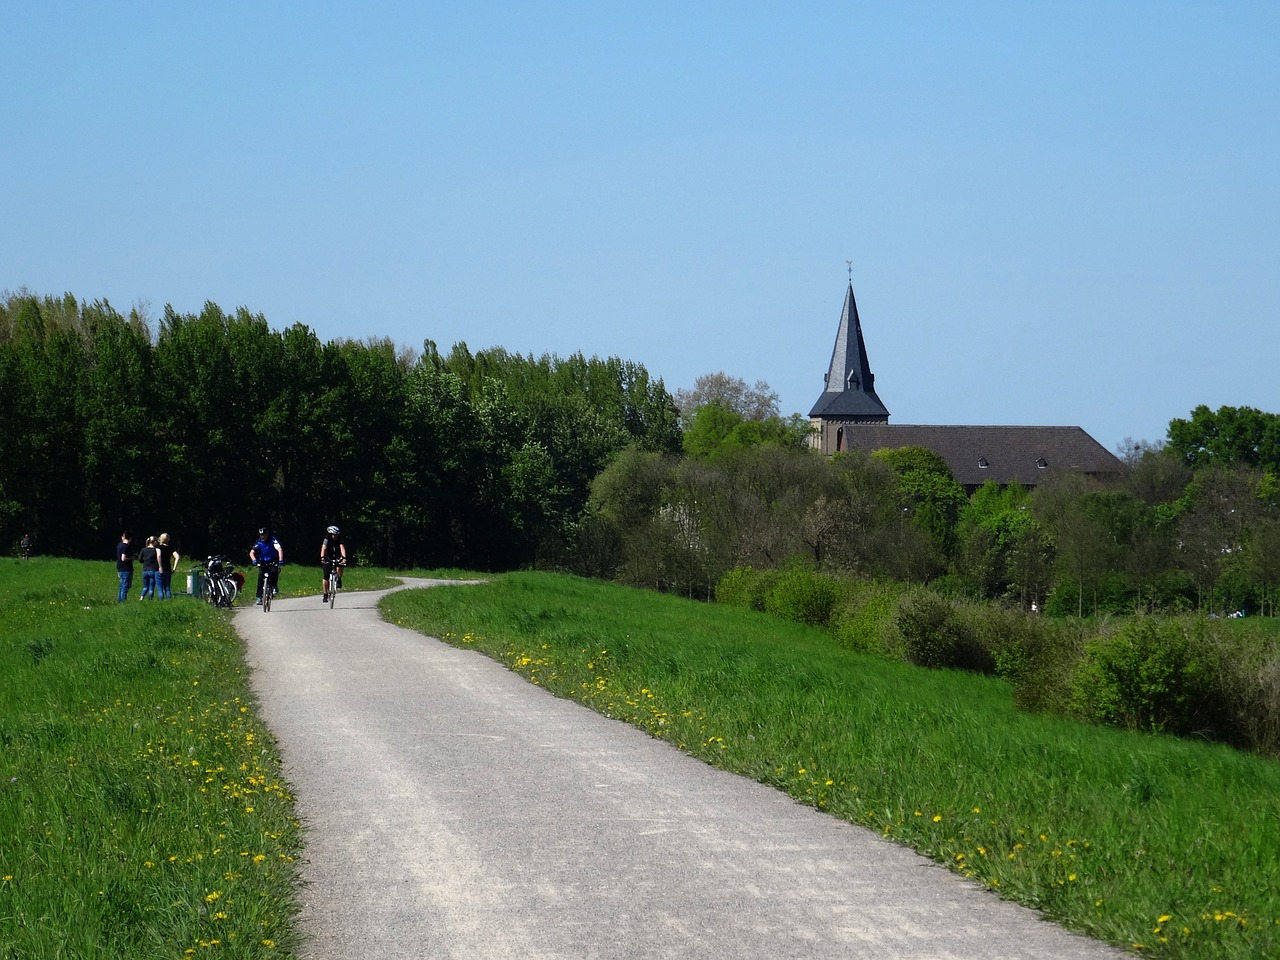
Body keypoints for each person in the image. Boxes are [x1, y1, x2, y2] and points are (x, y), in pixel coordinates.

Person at [249, 527, 284, 605]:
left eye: (264, 534)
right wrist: (254, 560)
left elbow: (279, 549)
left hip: (272, 560)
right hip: (262, 562)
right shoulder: (258, 542)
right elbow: (251, 553)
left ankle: (274, 586)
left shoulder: (272, 540)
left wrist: (280, 560)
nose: (263, 536)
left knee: (274, 571)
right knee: (261, 577)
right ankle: (259, 597)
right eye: (261, 535)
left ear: (267, 534)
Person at [320, 524, 347, 602]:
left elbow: (342, 549)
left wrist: (344, 558)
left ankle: (339, 579)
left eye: (336, 535)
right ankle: (325, 594)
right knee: (326, 576)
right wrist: (322, 557)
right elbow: (323, 548)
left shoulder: (340, 539)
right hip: (328, 557)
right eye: (334, 535)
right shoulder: (327, 539)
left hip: (337, 556)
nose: (335, 536)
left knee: (341, 565)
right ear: (330, 534)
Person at [157, 532, 180, 599]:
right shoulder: (170, 548)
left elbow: (158, 555)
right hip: (168, 569)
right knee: (167, 587)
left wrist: (160, 566)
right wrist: (174, 568)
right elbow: (177, 557)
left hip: (159, 569)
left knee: (160, 588)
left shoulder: (158, 547)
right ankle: (169, 600)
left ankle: (161, 602)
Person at [139, 535, 161, 599]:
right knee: (151, 587)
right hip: (153, 570)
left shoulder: (143, 550)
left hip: (145, 570)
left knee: (145, 586)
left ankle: (141, 597)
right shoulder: (155, 550)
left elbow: (140, 560)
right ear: (154, 542)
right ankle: (150, 599)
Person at [115, 531, 134, 603]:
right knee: (125, 587)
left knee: (121, 585)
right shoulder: (126, 547)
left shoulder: (119, 545)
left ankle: (119, 600)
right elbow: (124, 558)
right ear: (130, 539)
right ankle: (123, 601)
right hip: (126, 568)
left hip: (120, 567)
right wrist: (132, 557)